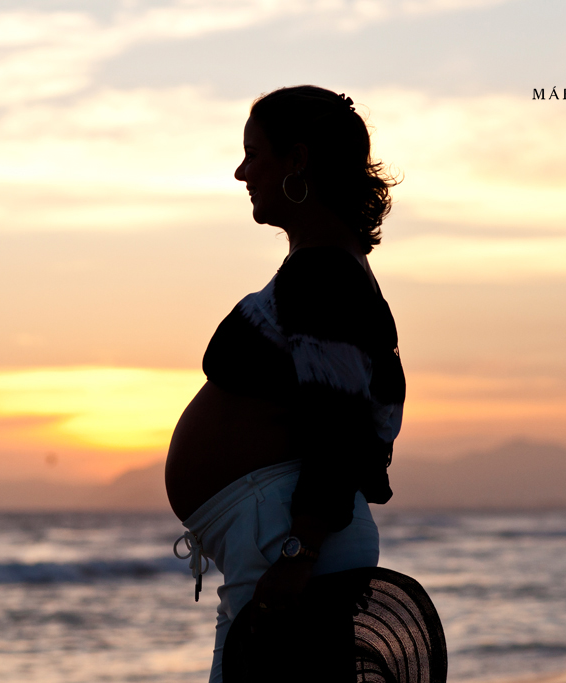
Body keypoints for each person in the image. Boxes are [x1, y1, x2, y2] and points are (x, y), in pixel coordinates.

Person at [166, 86, 406, 682]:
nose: (242, 172)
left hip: (287, 542)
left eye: (254, 154)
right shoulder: (327, 267)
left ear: (297, 161)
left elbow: (340, 424)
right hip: (276, 542)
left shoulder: (323, 274)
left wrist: (298, 552)